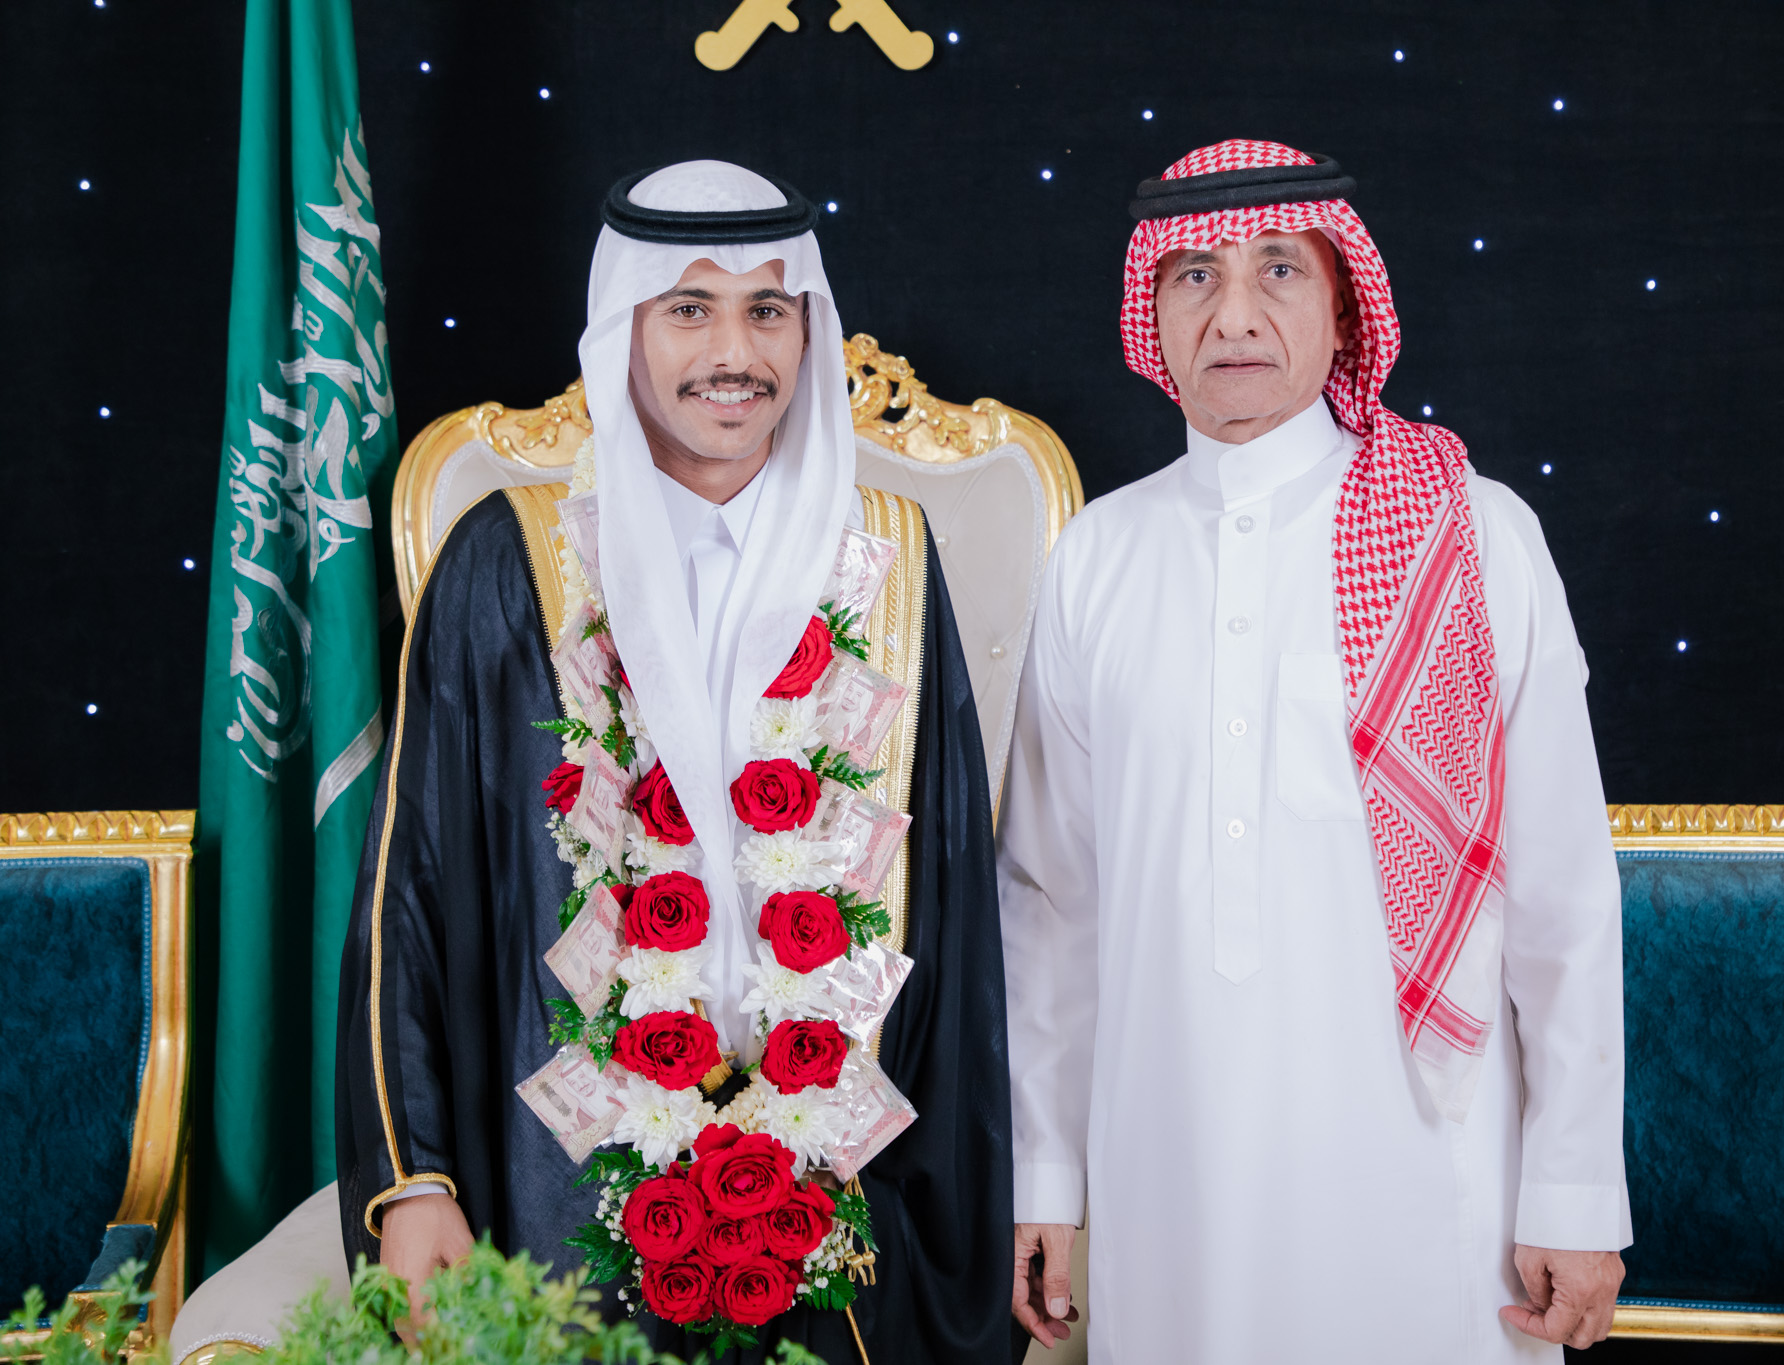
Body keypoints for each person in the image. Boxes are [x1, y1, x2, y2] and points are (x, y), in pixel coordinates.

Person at [336, 159, 1014, 1364]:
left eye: (767, 309)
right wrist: (414, 1175)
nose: (733, 353)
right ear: (623, 332)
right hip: (563, 1193)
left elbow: (957, 915)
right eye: (689, 310)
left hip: (839, 1207)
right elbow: (414, 895)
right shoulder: (513, 562)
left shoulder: (886, 563)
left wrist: (971, 1208)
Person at [998, 139, 1631, 1362]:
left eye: (1278, 270)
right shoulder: (1096, 559)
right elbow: (1051, 904)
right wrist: (1047, 1176)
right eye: (1193, 275)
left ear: (1344, 308)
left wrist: (1571, 1191)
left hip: (1431, 1184)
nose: (1232, 315)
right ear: (1149, 314)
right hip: (1162, 1178)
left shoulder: (1471, 537)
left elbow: (1561, 893)